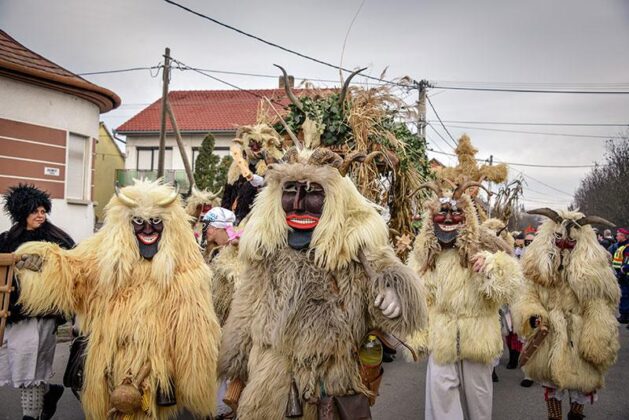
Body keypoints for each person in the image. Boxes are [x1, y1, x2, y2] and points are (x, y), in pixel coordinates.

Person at [219, 147, 427, 419]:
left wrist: (395, 292)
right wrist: (237, 371)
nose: (297, 203)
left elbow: (387, 279)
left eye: (313, 192)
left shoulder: (355, 251)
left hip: (329, 388)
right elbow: (245, 316)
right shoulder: (265, 253)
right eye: (290, 190)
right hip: (267, 388)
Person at [12, 180, 221, 419]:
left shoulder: (185, 268)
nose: (148, 230)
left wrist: (194, 379)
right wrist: (43, 263)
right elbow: (73, 273)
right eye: (138, 223)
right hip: (109, 360)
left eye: (156, 222)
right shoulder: (103, 257)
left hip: (154, 365)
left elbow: (196, 330)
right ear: (125, 224)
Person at [407, 180, 522, 420]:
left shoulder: (483, 246)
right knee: (441, 401)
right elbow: (419, 298)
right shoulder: (425, 255)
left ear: (466, 215)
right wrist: (414, 333)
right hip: (442, 340)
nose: (449, 219)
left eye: (456, 213)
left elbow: (508, 288)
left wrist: (491, 267)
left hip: (478, 340)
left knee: (479, 404)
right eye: (442, 213)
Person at [513, 208, 619, 420]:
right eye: (558, 238)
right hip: (549, 334)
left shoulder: (595, 275)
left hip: (580, 336)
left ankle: (577, 413)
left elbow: (599, 306)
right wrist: (533, 315)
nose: (563, 245)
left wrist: (597, 335)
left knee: (581, 382)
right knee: (551, 382)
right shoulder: (538, 268)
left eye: (570, 241)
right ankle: (554, 417)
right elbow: (528, 295)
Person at [0, 184, 74, 420]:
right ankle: (49, 393)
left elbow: (74, 267)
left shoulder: (58, 239)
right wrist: (16, 262)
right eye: (35, 211)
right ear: (22, 213)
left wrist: (48, 263)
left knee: (32, 365)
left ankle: (29, 417)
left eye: (43, 211)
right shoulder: (6, 240)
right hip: (15, 315)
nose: (40, 216)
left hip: (43, 316)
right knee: (23, 365)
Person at [609, 227, 629, 324]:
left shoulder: (627, 247)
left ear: (623, 236)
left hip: (625, 276)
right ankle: (624, 315)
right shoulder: (620, 246)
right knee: (623, 295)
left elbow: (626, 262)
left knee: (625, 296)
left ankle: (625, 316)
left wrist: (622, 272)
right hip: (621, 275)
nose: (616, 236)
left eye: (618, 234)